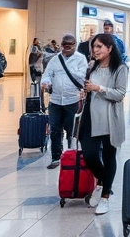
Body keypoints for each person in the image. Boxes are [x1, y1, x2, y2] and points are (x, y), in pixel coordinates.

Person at [78, 33, 128, 216]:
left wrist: (99, 88)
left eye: (99, 46)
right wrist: (85, 92)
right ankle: (102, 181)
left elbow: (120, 94)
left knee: (109, 155)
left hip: (109, 117)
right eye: (94, 46)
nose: (95, 50)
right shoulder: (93, 66)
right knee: (89, 154)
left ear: (110, 48)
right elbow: (88, 88)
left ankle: (105, 196)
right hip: (90, 116)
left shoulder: (120, 69)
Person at [41, 34, 88, 169]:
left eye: (70, 45)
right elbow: (47, 74)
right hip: (55, 100)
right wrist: (46, 82)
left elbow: (83, 76)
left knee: (71, 130)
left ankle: (71, 155)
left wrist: (70, 69)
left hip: (72, 100)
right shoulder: (55, 60)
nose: (66, 48)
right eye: (64, 45)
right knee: (55, 129)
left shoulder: (80, 59)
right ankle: (56, 157)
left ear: (75, 45)